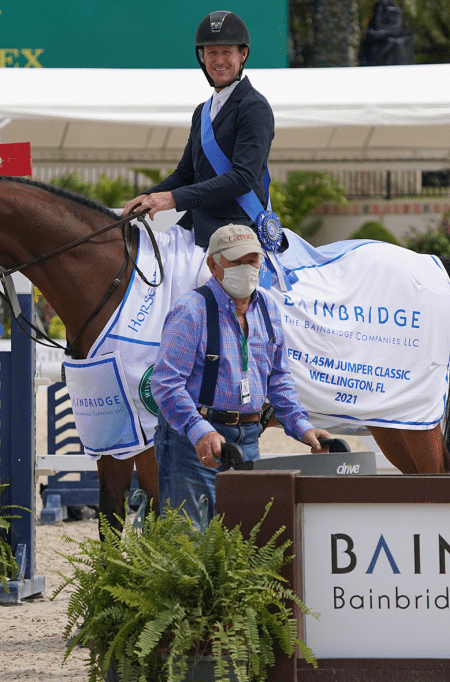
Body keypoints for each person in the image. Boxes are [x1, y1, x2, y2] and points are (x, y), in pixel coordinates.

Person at [151, 225, 330, 524]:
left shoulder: (268, 310)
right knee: (191, 544)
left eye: (253, 261)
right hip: (193, 443)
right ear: (213, 265)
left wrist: (302, 427)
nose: (247, 269)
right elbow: (166, 384)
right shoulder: (191, 311)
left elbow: (279, 378)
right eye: (236, 262)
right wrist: (200, 431)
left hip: (247, 439)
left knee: (243, 536)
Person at [122, 10, 274, 250]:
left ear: (242, 54)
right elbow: (185, 173)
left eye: (226, 52)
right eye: (212, 52)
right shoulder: (202, 112)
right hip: (195, 227)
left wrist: (171, 199)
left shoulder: (254, 107)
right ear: (202, 57)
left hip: (236, 233)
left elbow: (243, 178)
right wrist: (149, 196)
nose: (219, 60)